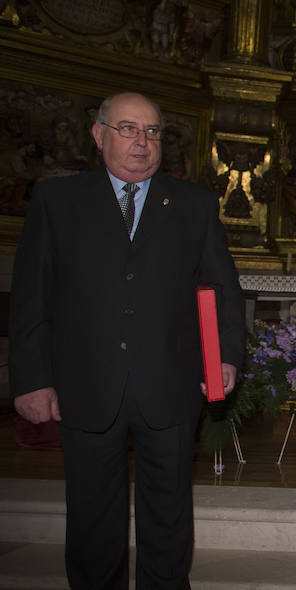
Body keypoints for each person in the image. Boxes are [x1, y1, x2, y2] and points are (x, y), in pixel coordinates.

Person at [9, 92, 244, 589]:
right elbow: (31, 298)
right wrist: (31, 380)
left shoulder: (194, 204)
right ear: (98, 135)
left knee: (169, 515)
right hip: (85, 384)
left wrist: (222, 358)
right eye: (128, 129)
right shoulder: (58, 201)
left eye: (153, 131)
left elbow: (221, 287)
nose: (142, 142)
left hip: (172, 382)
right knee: (93, 515)